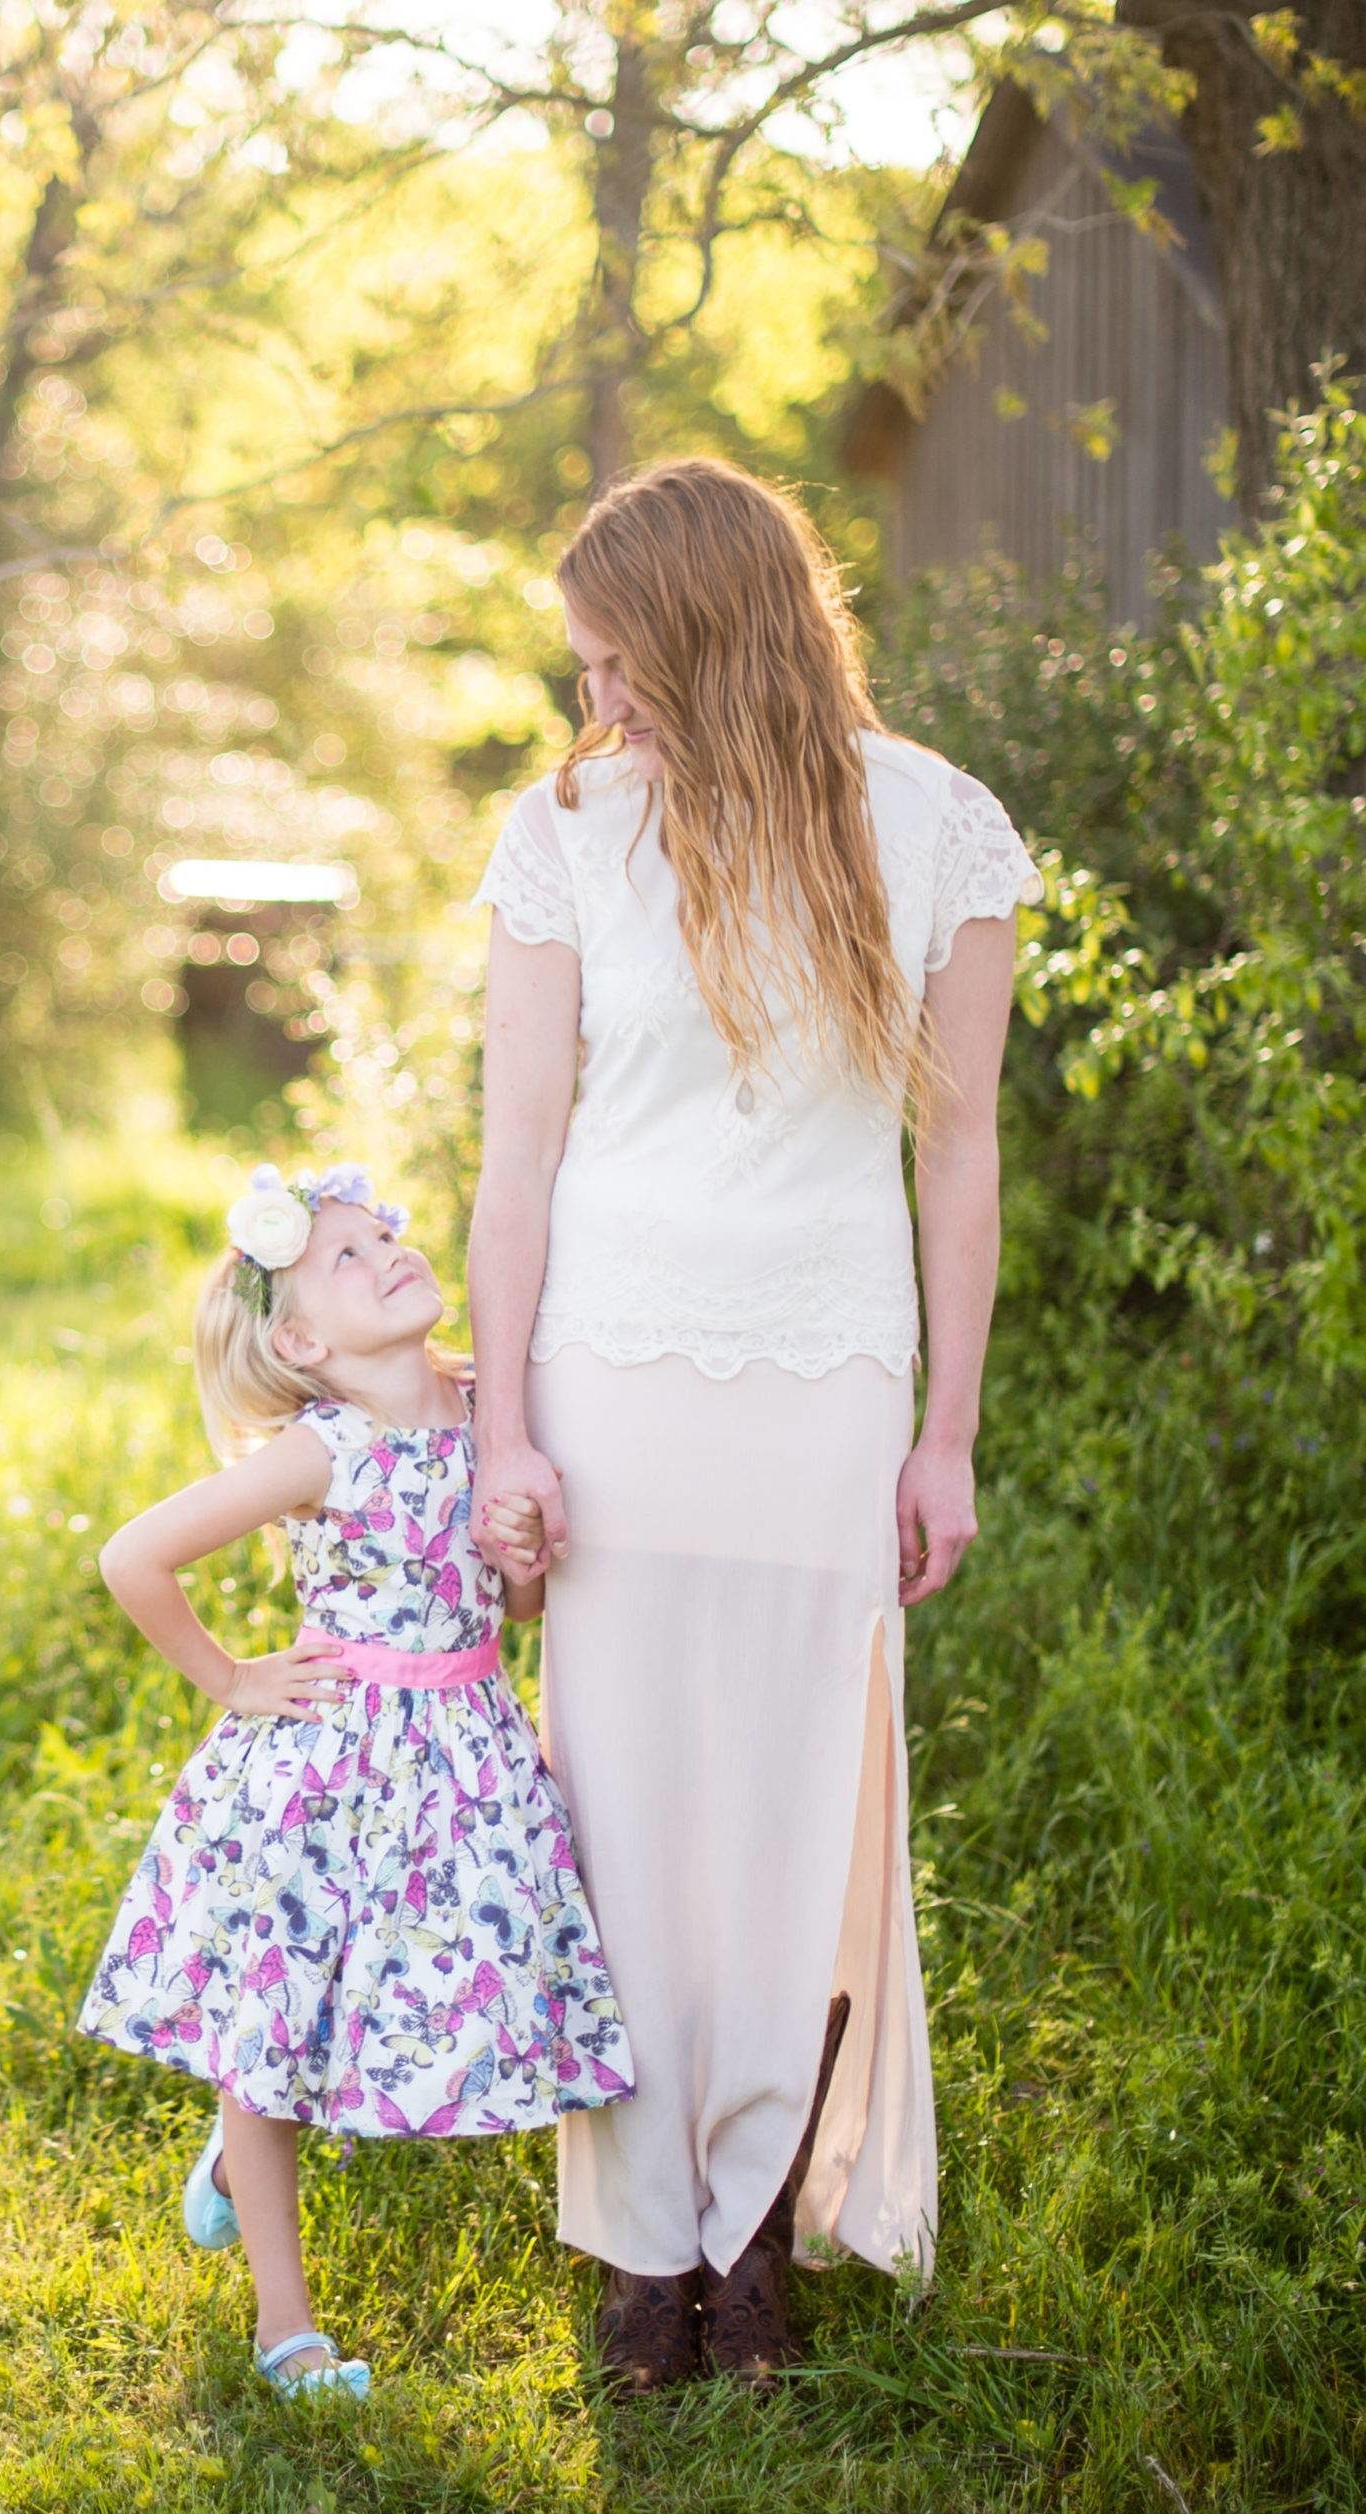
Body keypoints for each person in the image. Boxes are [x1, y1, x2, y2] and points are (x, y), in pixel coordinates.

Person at [464, 457, 1031, 2391]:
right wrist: (502, 1436)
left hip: (829, 1381)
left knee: (800, 1814)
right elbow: (515, 1168)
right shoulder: (562, 837)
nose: (596, 706)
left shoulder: (940, 829)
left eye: (618, 665)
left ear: (712, 638)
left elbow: (960, 1163)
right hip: (612, 1375)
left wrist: (946, 1437)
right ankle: (640, 2246)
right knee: (621, 1805)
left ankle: (758, 2236)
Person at [78, 1163, 635, 2401]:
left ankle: (228, 2170)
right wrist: (229, 1680)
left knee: (413, 1998)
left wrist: (527, 1557)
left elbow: (521, 1600)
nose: (389, 1246)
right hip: (326, 1770)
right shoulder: (319, 1451)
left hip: (468, 1757)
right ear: (300, 1341)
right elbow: (135, 1554)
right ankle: (289, 2327)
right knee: (270, 2035)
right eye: (347, 1252)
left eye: (383, 1230)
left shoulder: (493, 1403)